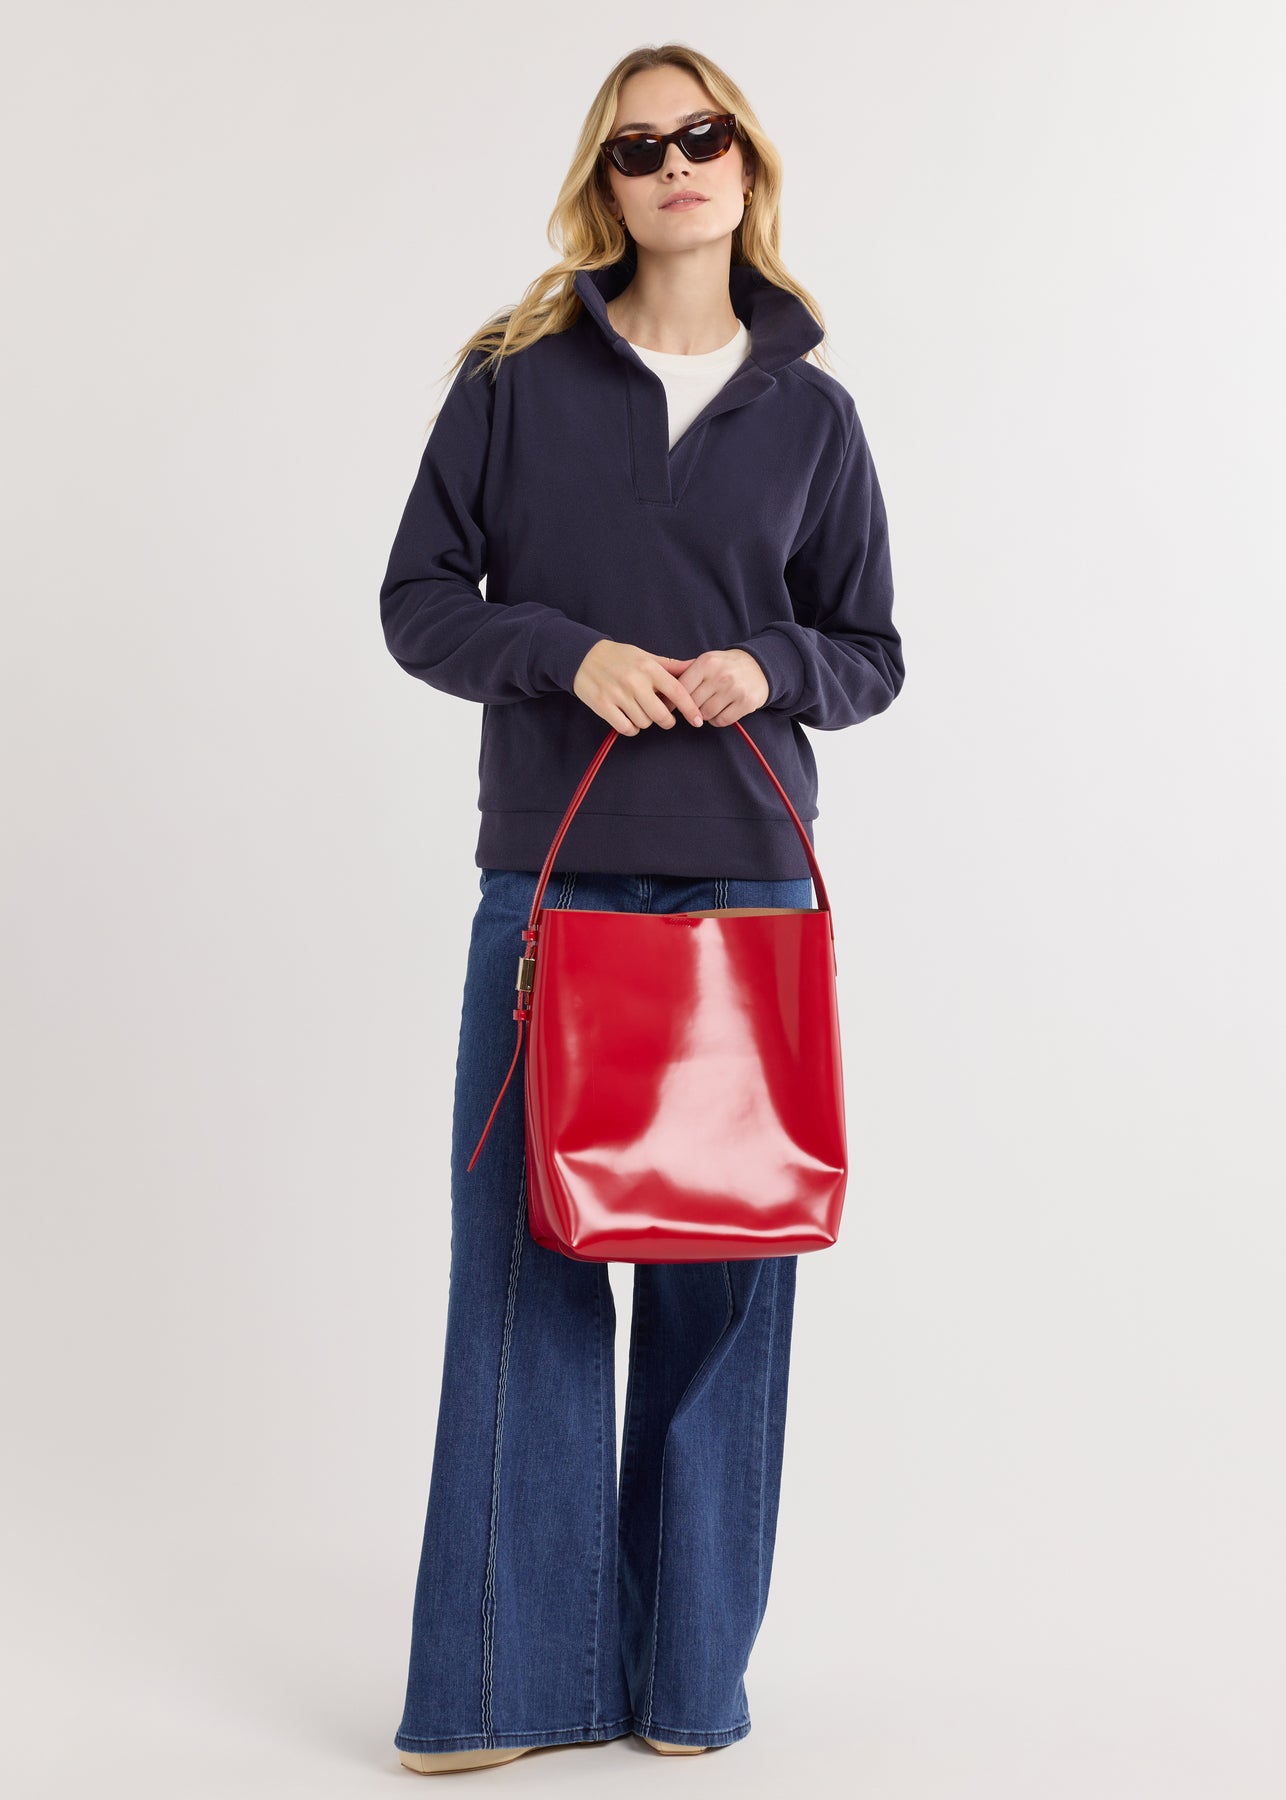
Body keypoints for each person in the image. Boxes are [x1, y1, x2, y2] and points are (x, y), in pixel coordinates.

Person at [380, 42, 904, 1776]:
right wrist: (563, 652)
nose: (674, 163)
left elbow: (870, 652)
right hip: (551, 882)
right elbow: (417, 601)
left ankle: (686, 1688)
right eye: (636, 146)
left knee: (724, 1290)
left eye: (702, 134)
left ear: (745, 164)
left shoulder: (812, 415)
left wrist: (770, 665)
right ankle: (498, 1690)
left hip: (748, 880)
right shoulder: (510, 381)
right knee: (523, 1269)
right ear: (601, 183)